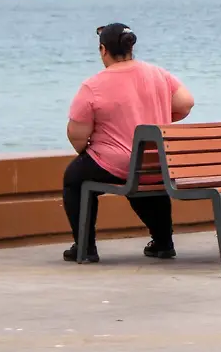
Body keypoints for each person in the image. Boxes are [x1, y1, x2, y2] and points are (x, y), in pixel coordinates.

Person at [61, 22, 195, 263]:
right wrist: (161, 114)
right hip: (157, 161)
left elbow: (76, 134)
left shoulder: (93, 85)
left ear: (103, 50)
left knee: (74, 179)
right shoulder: (158, 74)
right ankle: (164, 243)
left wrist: (88, 148)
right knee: (145, 174)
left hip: (119, 163)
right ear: (131, 48)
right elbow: (186, 103)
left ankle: (85, 247)